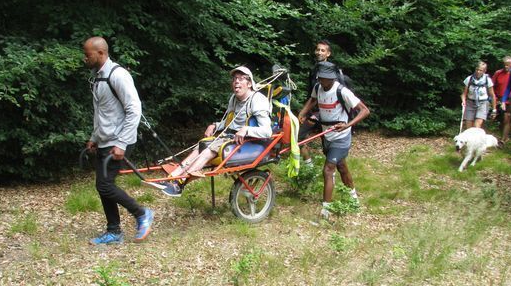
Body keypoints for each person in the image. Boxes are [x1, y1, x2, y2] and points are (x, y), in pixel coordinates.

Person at [147, 66, 272, 197]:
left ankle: (179, 183)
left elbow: (267, 131)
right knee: (200, 146)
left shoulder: (257, 100)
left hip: (246, 142)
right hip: (230, 137)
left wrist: (246, 129)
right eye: (235, 79)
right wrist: (214, 125)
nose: (236, 82)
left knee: (208, 150)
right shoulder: (234, 99)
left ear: (250, 83)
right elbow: (230, 122)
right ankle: (172, 177)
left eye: (241, 79)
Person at [83, 36, 154, 245]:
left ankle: (142, 214)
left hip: (120, 141)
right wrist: (94, 137)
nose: (84, 58)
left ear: (101, 53)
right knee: (103, 185)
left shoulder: (118, 75)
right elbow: (102, 113)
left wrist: (121, 144)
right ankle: (113, 231)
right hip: (105, 141)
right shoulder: (96, 77)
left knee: (104, 185)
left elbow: (134, 110)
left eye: (88, 55)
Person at [298, 61, 370, 220]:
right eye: (320, 77)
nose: (321, 80)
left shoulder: (342, 91)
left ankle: (325, 213)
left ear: (332, 78)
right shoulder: (318, 88)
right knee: (342, 168)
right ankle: (354, 200)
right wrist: (302, 113)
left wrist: (347, 126)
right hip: (327, 135)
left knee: (328, 170)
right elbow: (312, 100)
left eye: (325, 78)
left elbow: (365, 110)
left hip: (341, 137)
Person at [298, 40, 334, 167]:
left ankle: (331, 170)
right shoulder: (313, 70)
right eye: (318, 50)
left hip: (327, 112)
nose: (319, 52)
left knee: (328, 145)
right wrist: (304, 112)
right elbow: (312, 95)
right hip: (314, 111)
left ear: (328, 53)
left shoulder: (331, 71)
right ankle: (309, 168)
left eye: (323, 50)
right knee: (299, 137)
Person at [460, 61, 496, 129]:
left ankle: (477, 139)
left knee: (477, 125)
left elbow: (492, 95)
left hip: (483, 104)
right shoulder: (469, 79)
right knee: (469, 127)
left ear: (484, 71)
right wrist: (463, 101)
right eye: (477, 69)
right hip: (470, 103)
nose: (478, 71)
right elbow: (463, 94)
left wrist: (494, 109)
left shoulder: (487, 80)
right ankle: (470, 139)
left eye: (480, 70)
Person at [490, 56, 511, 129]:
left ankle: (510, 132)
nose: (506, 66)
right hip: (499, 98)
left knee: (509, 117)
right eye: (505, 64)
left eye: (508, 65)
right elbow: (491, 85)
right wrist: (494, 98)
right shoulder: (498, 73)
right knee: (500, 116)